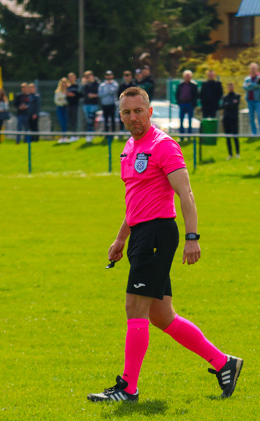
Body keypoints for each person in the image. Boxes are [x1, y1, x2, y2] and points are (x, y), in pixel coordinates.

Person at [88, 87, 242, 403]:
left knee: (135, 308)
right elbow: (135, 200)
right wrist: (120, 238)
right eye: (127, 112)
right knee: (161, 316)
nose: (133, 117)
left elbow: (186, 193)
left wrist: (192, 237)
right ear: (120, 115)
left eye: (138, 111)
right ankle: (224, 363)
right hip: (140, 234)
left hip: (158, 234)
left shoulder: (164, 145)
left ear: (150, 111)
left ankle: (128, 388)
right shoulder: (129, 148)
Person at [243, 63, 260, 136]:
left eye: (254, 69)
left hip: (258, 100)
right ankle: (253, 132)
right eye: (252, 69)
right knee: (251, 117)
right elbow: (245, 87)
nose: (253, 70)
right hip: (250, 100)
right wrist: (254, 86)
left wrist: (251, 86)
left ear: (257, 69)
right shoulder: (247, 78)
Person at [175, 70, 199, 135]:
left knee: (190, 120)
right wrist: (179, 102)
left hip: (190, 104)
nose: (187, 77)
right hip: (182, 104)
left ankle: (189, 134)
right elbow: (177, 94)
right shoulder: (181, 85)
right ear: (184, 76)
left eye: (188, 76)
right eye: (186, 76)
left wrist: (193, 103)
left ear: (191, 77)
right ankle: (181, 135)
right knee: (181, 120)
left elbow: (196, 95)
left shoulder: (194, 85)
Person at [221, 82, 240, 160]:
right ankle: (230, 154)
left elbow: (234, 105)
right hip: (226, 119)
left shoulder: (237, 96)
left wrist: (228, 105)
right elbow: (222, 106)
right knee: (227, 137)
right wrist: (230, 104)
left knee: (235, 137)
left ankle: (237, 153)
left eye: (231, 87)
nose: (230, 88)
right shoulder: (225, 97)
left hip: (234, 119)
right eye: (229, 87)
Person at [99, 70, 119, 135]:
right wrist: (108, 91)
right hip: (104, 104)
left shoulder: (115, 84)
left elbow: (113, 91)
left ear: (112, 76)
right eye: (107, 75)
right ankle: (106, 133)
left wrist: (107, 89)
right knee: (105, 119)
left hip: (112, 104)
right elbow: (100, 94)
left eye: (109, 75)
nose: (108, 76)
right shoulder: (102, 85)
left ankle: (113, 133)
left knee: (113, 119)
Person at [82, 70, 100, 142]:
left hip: (93, 104)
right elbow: (82, 93)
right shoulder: (85, 85)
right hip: (86, 104)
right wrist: (83, 83)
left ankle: (91, 134)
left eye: (88, 76)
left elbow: (98, 93)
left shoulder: (96, 83)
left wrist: (93, 95)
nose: (87, 78)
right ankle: (89, 133)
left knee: (91, 119)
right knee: (87, 120)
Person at [66, 73, 81, 142]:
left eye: (72, 77)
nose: (71, 79)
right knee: (70, 121)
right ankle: (72, 134)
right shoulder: (68, 87)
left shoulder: (78, 86)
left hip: (76, 105)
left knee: (76, 120)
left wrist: (73, 95)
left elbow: (80, 95)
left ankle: (75, 135)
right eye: (70, 77)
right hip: (69, 105)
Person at [54, 78, 70, 143]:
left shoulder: (68, 91)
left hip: (66, 108)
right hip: (60, 108)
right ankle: (63, 137)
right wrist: (63, 101)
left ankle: (65, 136)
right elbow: (56, 101)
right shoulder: (57, 91)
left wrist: (62, 100)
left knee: (66, 122)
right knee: (62, 122)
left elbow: (68, 100)